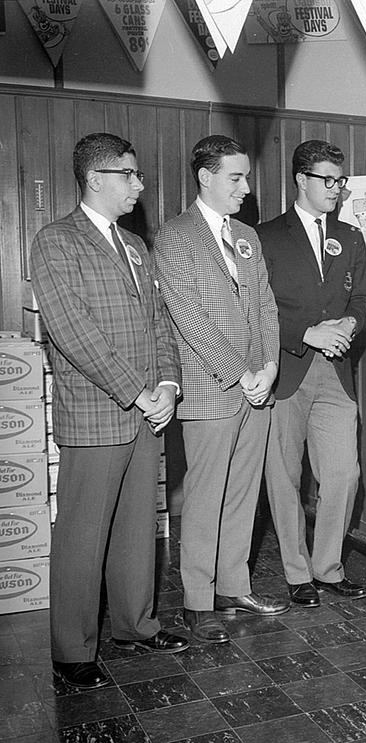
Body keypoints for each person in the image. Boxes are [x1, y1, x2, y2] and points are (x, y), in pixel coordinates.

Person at [30, 132, 188, 690]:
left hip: (148, 412)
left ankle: (136, 625)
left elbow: (160, 324)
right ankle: (72, 649)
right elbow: (73, 333)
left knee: (137, 530)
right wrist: (136, 390)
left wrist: (167, 385)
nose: (140, 186)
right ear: (96, 179)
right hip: (99, 414)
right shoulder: (56, 241)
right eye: (130, 175)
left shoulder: (137, 248)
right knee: (82, 534)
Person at [154, 135, 289, 643]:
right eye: (236, 178)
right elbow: (189, 318)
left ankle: (234, 585)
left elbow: (268, 307)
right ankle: (197, 600)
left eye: (246, 177)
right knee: (206, 497)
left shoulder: (247, 236)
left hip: (258, 385)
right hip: (214, 387)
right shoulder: (175, 237)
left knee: (244, 494)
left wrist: (270, 367)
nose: (246, 188)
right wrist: (240, 373)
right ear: (205, 177)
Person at [255, 140, 366, 608]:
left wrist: (349, 324)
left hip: (336, 373)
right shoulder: (263, 237)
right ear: (300, 180)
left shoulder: (352, 235)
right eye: (328, 180)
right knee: (284, 476)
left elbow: (361, 298)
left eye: (340, 181)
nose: (336, 190)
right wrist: (306, 333)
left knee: (343, 473)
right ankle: (297, 572)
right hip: (285, 370)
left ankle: (328, 567)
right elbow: (255, 309)